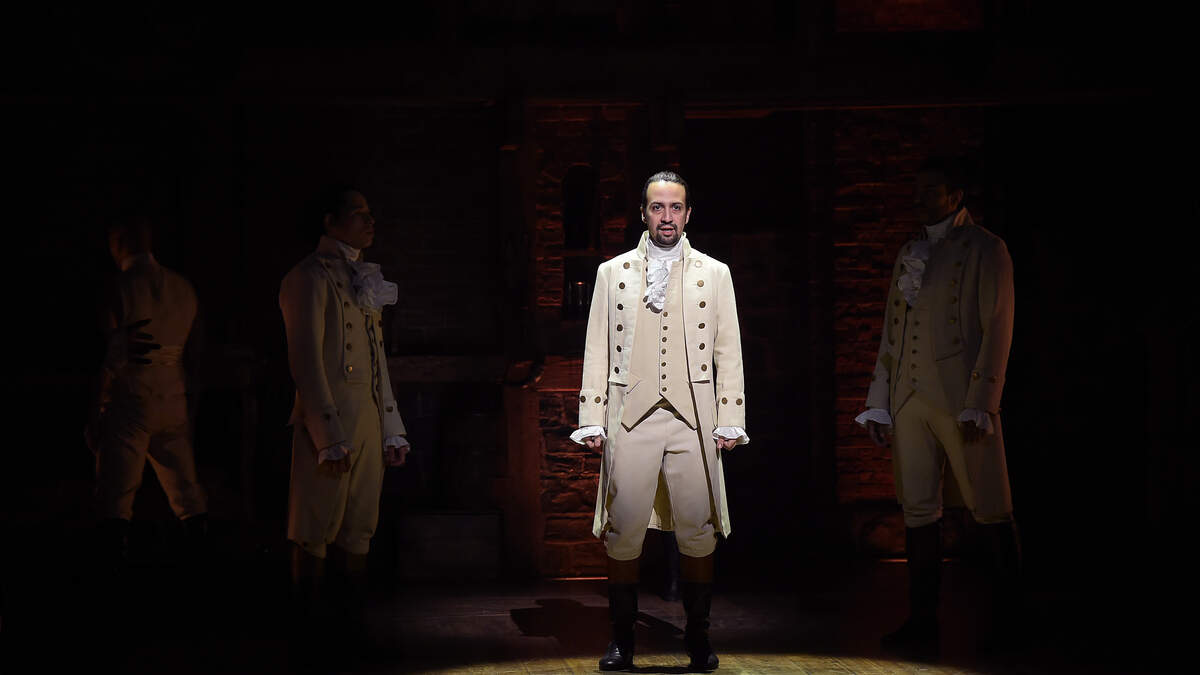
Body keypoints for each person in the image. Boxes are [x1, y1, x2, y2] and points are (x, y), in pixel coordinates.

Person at [572, 171, 748, 671]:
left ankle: (698, 638)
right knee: (623, 527)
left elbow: (728, 349)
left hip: (694, 418)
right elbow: (597, 346)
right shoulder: (613, 272)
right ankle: (622, 640)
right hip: (630, 417)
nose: (666, 217)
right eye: (657, 207)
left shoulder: (715, 273)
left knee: (698, 528)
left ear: (687, 214)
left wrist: (730, 416)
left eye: (674, 208)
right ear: (643, 213)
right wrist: (592, 416)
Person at [855, 158, 1022, 652]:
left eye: (931, 190)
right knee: (918, 510)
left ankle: (1009, 623)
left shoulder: (986, 248)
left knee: (990, 506)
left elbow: (997, 327)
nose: (919, 198)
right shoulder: (909, 251)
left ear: (956, 194)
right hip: (909, 398)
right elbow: (891, 333)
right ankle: (922, 621)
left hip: (960, 398)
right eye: (918, 189)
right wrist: (879, 401)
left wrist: (982, 401)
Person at [279, 186, 410, 654]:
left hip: (368, 417)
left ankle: (349, 627)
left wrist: (391, 426)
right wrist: (326, 433)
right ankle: (308, 632)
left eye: (370, 213)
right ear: (330, 220)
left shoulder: (363, 276)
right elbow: (306, 362)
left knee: (360, 526)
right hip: (331, 419)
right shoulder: (307, 277)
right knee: (314, 527)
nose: (369, 222)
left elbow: (377, 361)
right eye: (358, 214)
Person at [87, 215, 209, 566]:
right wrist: (190, 401)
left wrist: (94, 410)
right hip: (173, 398)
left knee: (116, 495)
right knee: (186, 493)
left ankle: (112, 570)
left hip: (131, 400)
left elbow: (108, 359)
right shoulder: (182, 287)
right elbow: (195, 354)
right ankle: (201, 564)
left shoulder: (118, 288)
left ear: (119, 242)